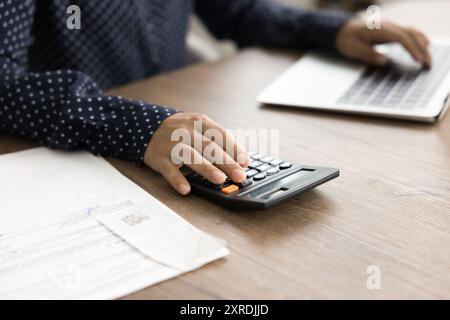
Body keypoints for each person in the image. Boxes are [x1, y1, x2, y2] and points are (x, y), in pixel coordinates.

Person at [0, 0, 430, 195]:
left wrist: (332, 29)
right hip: (73, 160)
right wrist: (140, 126)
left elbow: (235, 11)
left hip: (176, 150)